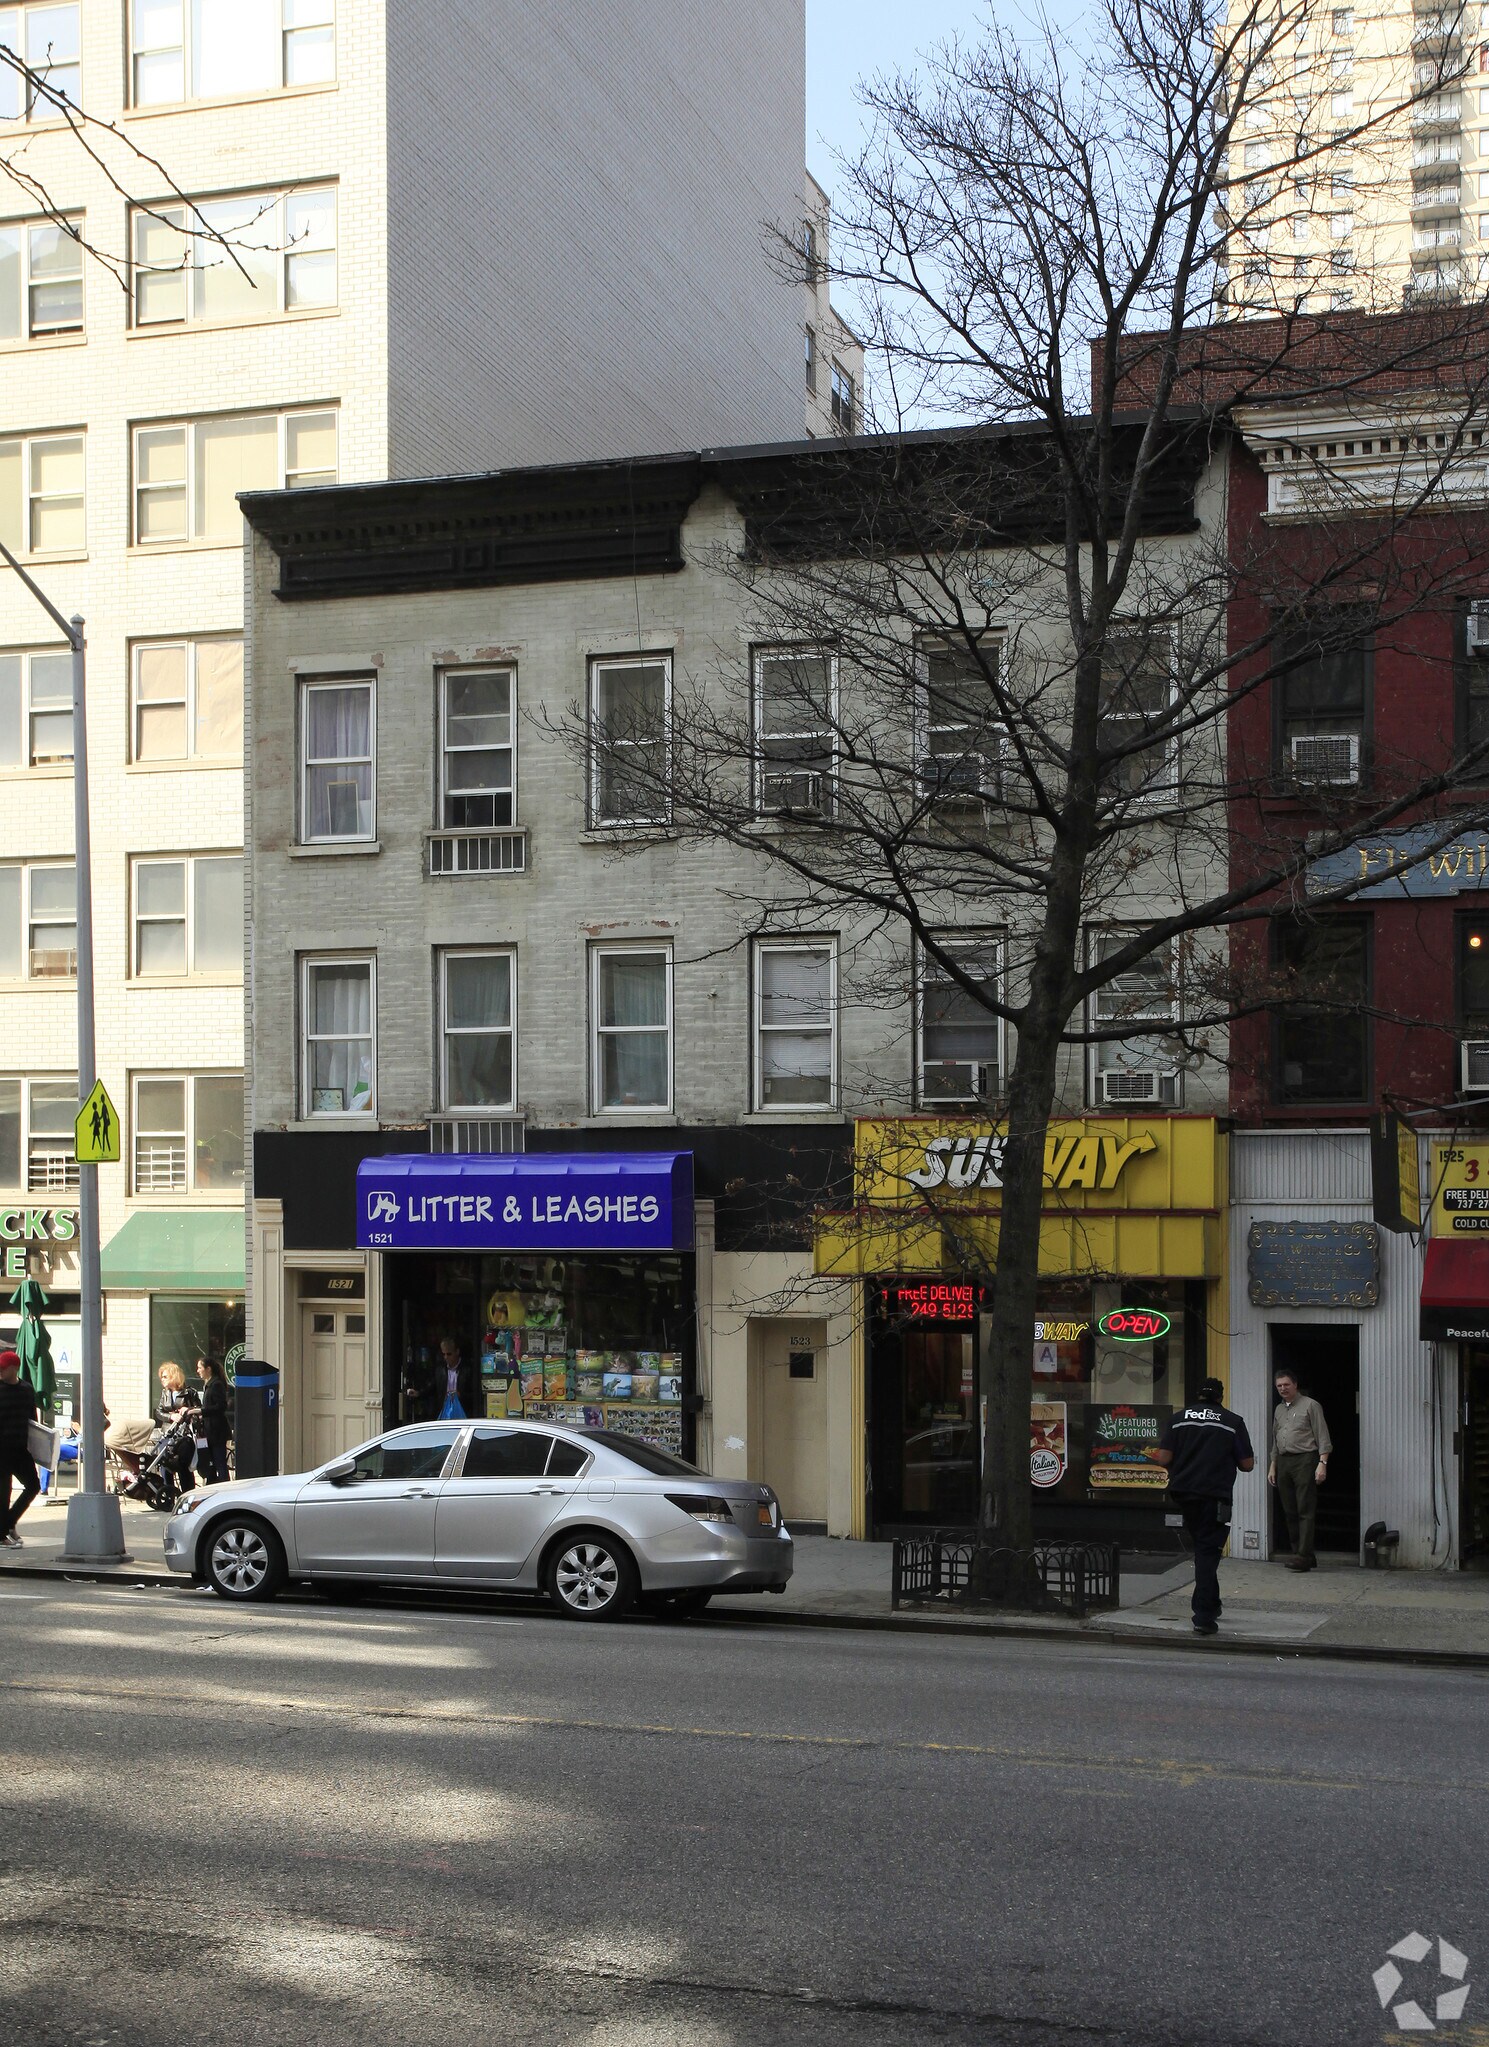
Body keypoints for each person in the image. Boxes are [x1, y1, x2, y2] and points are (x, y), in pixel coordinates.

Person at [1148, 1377, 1256, 1637]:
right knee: (1208, 1552)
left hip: (1184, 1494)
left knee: (1203, 1549)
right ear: (1220, 1396)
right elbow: (1247, 1464)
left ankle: (1213, 1604)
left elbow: (1164, 1458)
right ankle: (1203, 1616)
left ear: (1198, 1395)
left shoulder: (1178, 1419)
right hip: (1215, 1496)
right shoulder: (1232, 1422)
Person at [1268, 1369, 1332, 1572]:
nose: (1283, 1389)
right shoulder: (1279, 1409)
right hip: (1283, 1460)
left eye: (1286, 1384)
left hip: (1305, 1458)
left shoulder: (1310, 1405)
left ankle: (1303, 1555)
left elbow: (1322, 1436)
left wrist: (1322, 1463)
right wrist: (1273, 1465)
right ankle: (1302, 1553)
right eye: (1279, 1386)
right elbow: (1275, 1439)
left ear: (1295, 1384)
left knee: (1305, 1508)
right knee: (1289, 1510)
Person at [0, 1347, 41, 1548]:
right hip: (1, 1449)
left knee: (33, 1486)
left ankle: (8, 1524)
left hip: (20, 1448)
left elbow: (33, 1419)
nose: (0, 1371)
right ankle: (2, 1535)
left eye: (3, 1368)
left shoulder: (26, 1390)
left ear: (14, 1368)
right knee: (3, 1492)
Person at [195, 1357, 231, 1484]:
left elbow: (221, 1406)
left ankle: (224, 1484)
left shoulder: (216, 1384)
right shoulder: (208, 1385)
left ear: (208, 1369)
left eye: (200, 1368)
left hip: (217, 1431)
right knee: (210, 1462)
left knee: (219, 1461)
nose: (198, 1371)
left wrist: (201, 1411)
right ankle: (212, 1483)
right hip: (209, 1430)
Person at [437, 1338, 467, 1421]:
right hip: (445, 1411)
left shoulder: (467, 1369)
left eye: (449, 1354)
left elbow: (474, 1392)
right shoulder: (440, 1369)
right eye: (443, 1354)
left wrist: (460, 1394)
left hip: (462, 1411)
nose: (446, 1357)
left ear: (457, 1352)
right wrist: (419, 1392)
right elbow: (433, 1386)